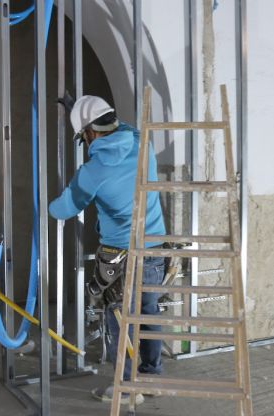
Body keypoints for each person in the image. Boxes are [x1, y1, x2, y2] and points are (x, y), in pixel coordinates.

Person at [49, 95, 166, 405]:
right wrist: (85, 111)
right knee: (149, 313)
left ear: (89, 133)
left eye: (83, 135)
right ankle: (152, 376)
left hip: (120, 254)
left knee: (119, 320)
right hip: (154, 246)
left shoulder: (93, 171)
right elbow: (119, 128)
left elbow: (63, 209)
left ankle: (126, 386)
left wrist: (47, 205)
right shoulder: (142, 143)